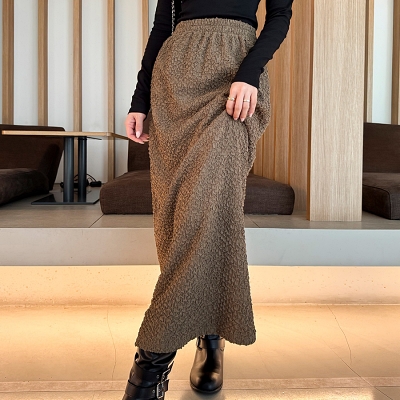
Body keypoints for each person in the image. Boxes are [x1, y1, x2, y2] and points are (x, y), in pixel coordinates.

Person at [122, 1, 293, 399]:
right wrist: (139, 99)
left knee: (207, 208)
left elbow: (280, 15)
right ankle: (210, 334)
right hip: (176, 80)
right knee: (177, 218)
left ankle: (150, 368)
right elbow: (162, 26)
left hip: (236, 75)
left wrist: (249, 74)